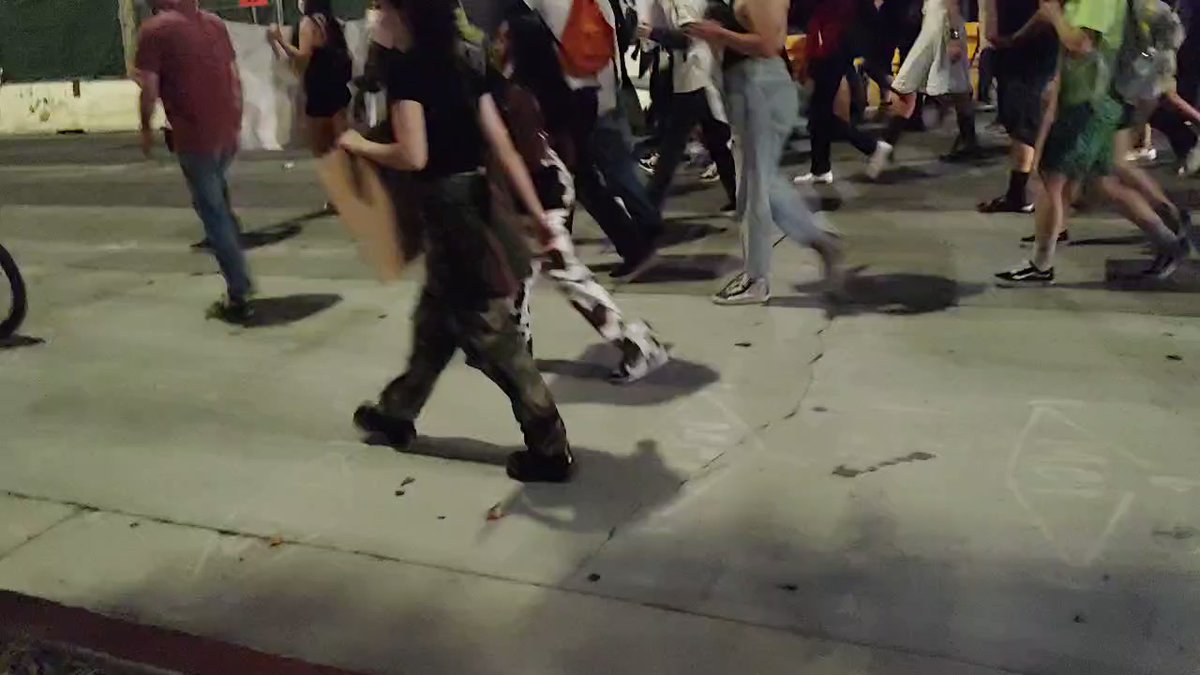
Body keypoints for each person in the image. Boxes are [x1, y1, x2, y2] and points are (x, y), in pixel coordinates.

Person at [339, 0, 574, 483]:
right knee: (434, 322)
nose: (374, 16)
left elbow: (412, 154)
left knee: (491, 332)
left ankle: (549, 444)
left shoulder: (409, 70)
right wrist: (535, 212)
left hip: (449, 210)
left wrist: (359, 144)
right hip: (477, 197)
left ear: (403, 14)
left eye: (381, 7)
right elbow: (502, 144)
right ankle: (396, 412)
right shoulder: (467, 56)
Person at [495, 11, 671, 383]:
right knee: (519, 273)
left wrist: (534, 205)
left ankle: (637, 343)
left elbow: (525, 157)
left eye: (503, 37)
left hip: (542, 193)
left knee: (563, 273)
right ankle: (515, 350)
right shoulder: (547, 84)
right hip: (553, 185)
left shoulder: (518, 93)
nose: (496, 44)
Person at [996, 0, 1191, 286]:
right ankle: (1170, 243)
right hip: (1096, 100)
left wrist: (1054, 15)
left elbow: (1080, 44)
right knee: (1103, 181)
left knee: (1051, 178)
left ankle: (1041, 264)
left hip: (1087, 104)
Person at [687, 0, 846, 305]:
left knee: (757, 188)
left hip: (760, 88)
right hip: (750, 88)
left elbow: (769, 44)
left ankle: (760, 277)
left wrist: (716, 33)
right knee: (757, 185)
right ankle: (814, 243)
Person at [524, 0, 664, 280]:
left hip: (574, 94)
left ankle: (636, 239)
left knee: (587, 176)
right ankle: (642, 229)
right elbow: (619, 34)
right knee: (608, 167)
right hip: (603, 85)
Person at [136, 0, 256, 323]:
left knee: (213, 214)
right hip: (226, 130)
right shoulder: (214, 23)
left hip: (195, 136)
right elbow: (234, 78)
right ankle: (235, 250)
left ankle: (239, 292)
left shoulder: (154, 31)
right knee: (220, 200)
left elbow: (149, 89)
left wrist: (146, 129)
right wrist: (236, 119)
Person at [637, 0, 738, 211]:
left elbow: (687, 37)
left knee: (672, 146)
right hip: (697, 75)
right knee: (716, 140)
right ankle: (738, 195)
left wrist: (650, 32)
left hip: (694, 76)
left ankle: (647, 207)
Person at [866, 0, 981, 180]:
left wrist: (954, 38)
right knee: (914, 87)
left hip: (943, 30)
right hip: (932, 28)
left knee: (957, 88)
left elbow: (952, 7)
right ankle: (886, 146)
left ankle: (885, 147)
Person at [977, 0, 1060, 214]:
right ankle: (1017, 194)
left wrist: (1016, 37)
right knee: (1015, 118)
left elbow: (1048, 11)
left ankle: (1027, 195)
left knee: (1024, 120)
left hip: (1032, 50)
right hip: (1012, 49)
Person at [795, 0, 884, 184]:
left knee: (820, 114)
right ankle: (820, 169)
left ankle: (871, 146)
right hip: (829, 45)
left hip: (831, 47)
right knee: (818, 113)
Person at [269, 0, 353, 157]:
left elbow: (303, 55)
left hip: (318, 86)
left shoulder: (308, 22)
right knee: (341, 139)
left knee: (320, 144)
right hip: (338, 87)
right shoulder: (331, 23)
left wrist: (281, 41)